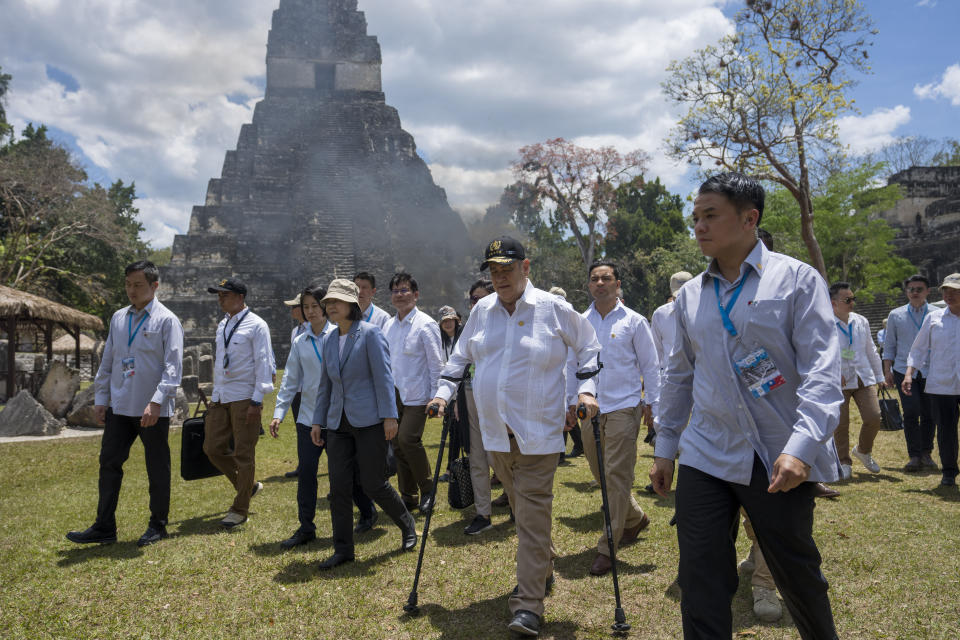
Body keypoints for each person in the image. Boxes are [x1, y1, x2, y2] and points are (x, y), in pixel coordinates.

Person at [649, 172, 842, 640]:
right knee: (700, 576)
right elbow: (678, 374)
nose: (699, 226)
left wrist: (801, 447)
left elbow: (822, 370)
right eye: (695, 217)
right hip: (706, 451)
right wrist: (666, 445)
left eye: (710, 215)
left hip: (776, 457)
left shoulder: (796, 280)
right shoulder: (691, 295)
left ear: (749, 218)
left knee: (795, 571)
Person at [429, 236, 601, 638]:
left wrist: (587, 391)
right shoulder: (482, 311)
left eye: (508, 268)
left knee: (533, 510)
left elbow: (589, 346)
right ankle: (543, 565)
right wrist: (441, 394)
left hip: (539, 431)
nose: (500, 277)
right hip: (494, 434)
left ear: (526, 267)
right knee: (524, 514)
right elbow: (459, 358)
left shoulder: (554, 309)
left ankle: (527, 605)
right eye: (493, 270)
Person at [66, 261, 183, 547]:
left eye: (138, 285)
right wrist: (102, 399)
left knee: (157, 467)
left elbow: (172, 368)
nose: (132, 290)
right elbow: (108, 362)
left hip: (151, 409)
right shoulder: (119, 318)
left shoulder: (167, 320)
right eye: (128, 284)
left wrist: (156, 403)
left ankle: (158, 525)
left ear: (155, 286)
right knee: (109, 463)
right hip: (120, 406)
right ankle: (104, 526)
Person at [311, 279, 418, 569]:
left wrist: (389, 416)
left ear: (352, 304)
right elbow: (325, 385)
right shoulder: (329, 339)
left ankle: (407, 524)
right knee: (339, 487)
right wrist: (318, 420)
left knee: (373, 483)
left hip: (370, 420)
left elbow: (384, 378)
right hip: (337, 423)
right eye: (328, 302)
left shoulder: (370, 334)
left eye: (337, 301)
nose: (330, 306)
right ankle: (343, 549)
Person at [579, 261, 659, 577]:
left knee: (617, 475)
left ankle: (607, 547)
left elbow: (651, 366)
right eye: (595, 279)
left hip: (625, 406)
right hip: (590, 408)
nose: (600, 283)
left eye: (606, 278)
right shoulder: (580, 322)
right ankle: (634, 516)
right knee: (600, 472)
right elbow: (573, 365)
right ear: (589, 285)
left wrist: (652, 404)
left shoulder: (634, 322)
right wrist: (571, 403)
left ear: (617, 283)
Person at [270, 285, 337, 548]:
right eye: (305, 306)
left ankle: (365, 514)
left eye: (314, 306)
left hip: (336, 418)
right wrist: (279, 412)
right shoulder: (300, 341)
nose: (310, 311)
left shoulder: (339, 335)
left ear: (325, 306)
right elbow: (290, 380)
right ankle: (306, 527)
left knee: (343, 474)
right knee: (307, 474)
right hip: (308, 418)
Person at [204, 278, 274, 528]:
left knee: (244, 454)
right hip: (222, 396)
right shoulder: (223, 324)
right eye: (219, 294)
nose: (220, 298)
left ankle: (240, 508)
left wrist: (257, 400)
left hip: (245, 396)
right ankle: (248, 486)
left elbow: (264, 363)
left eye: (225, 294)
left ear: (240, 297)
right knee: (211, 448)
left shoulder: (256, 325)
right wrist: (214, 395)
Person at [383, 272, 444, 513]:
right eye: (396, 291)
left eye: (404, 290)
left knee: (408, 439)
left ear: (415, 295)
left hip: (419, 395)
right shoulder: (388, 325)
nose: (400, 295)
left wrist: (436, 397)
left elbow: (436, 364)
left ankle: (428, 488)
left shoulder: (425, 324)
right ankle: (408, 496)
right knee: (397, 444)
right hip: (394, 395)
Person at [904, 273, 960, 488]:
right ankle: (948, 472)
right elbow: (918, 350)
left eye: (954, 291)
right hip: (942, 384)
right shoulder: (934, 318)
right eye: (946, 290)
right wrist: (909, 373)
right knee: (946, 431)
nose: (949, 295)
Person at [829, 282, 885, 479]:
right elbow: (821, 352)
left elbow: (871, 349)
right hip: (839, 379)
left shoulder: (861, 321)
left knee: (874, 417)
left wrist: (880, 377)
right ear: (833, 303)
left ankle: (863, 450)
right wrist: (834, 372)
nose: (852, 303)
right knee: (841, 424)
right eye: (848, 300)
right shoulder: (824, 322)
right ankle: (843, 461)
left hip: (863, 375)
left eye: (853, 299)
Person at [884, 275, 938, 472]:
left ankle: (926, 452)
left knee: (930, 413)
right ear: (906, 292)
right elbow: (889, 344)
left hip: (931, 369)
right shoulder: (896, 315)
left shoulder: (937, 313)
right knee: (911, 411)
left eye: (919, 289)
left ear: (927, 291)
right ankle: (914, 455)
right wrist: (886, 370)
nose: (915, 292)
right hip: (902, 370)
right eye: (911, 289)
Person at [461, 279, 498, 536]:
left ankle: (518, 506)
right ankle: (483, 512)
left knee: (500, 456)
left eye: (481, 298)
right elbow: (458, 361)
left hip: (497, 397)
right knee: (476, 454)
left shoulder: (503, 324)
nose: (476, 303)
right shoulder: (469, 327)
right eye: (473, 299)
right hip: (469, 394)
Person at [283, 292, 308, 478]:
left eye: (295, 306)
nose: (292, 310)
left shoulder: (314, 329)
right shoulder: (294, 332)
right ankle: (304, 464)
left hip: (311, 387)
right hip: (298, 388)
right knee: (301, 428)